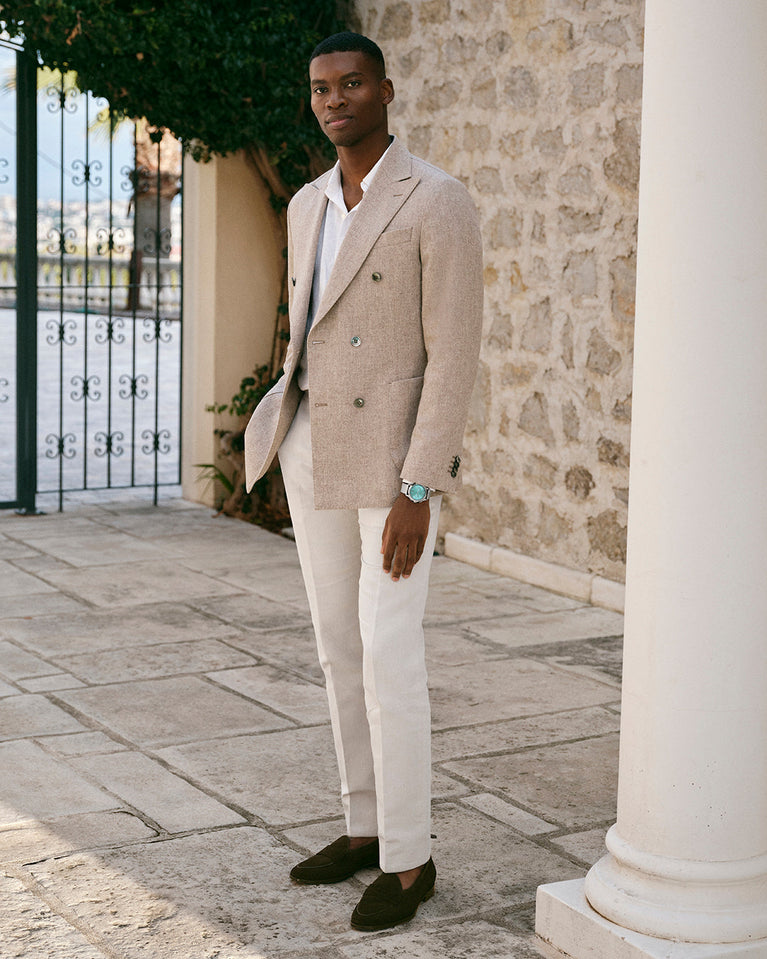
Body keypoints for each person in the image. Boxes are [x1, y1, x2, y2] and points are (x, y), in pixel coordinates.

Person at [244, 31, 483, 932]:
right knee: (336, 644)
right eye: (320, 88)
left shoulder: (438, 200)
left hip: (392, 462)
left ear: (385, 90)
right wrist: (281, 430)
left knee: (390, 654)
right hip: (312, 443)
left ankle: (411, 856)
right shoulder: (307, 202)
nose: (333, 99)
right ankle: (362, 822)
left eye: (351, 84)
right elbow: (303, 325)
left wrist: (421, 487)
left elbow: (453, 354)